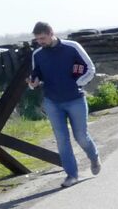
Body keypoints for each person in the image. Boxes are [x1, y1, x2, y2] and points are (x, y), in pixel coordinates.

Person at [28, 21, 101, 188]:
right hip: (52, 102)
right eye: (37, 39)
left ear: (51, 32)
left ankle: (94, 157)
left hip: (75, 99)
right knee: (62, 140)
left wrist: (78, 83)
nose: (40, 42)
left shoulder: (72, 47)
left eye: (42, 38)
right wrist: (32, 84)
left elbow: (90, 68)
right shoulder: (37, 54)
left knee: (81, 136)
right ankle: (72, 175)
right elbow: (36, 76)